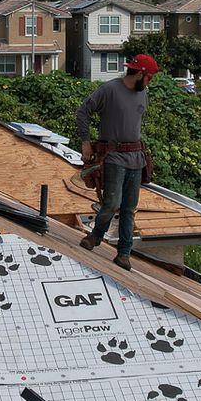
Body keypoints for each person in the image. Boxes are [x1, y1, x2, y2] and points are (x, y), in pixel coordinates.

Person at [75, 53, 157, 270]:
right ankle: (95, 237)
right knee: (111, 203)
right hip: (114, 157)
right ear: (140, 74)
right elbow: (83, 112)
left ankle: (123, 254)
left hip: (136, 158)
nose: (150, 82)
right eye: (149, 77)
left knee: (129, 209)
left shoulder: (142, 94)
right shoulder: (109, 90)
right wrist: (86, 142)